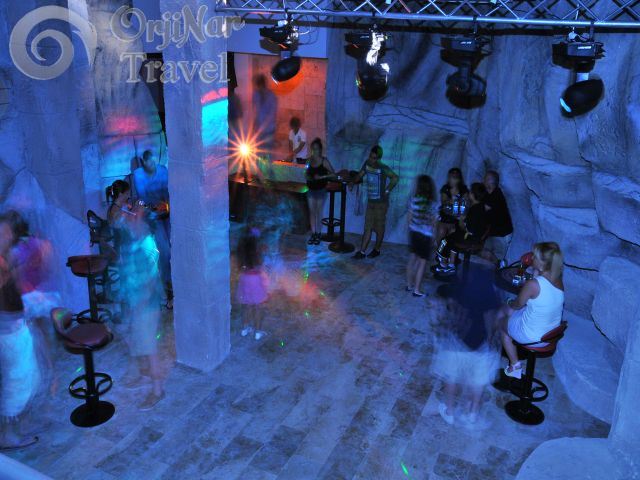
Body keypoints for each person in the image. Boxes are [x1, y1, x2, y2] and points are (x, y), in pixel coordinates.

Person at [107, 180, 165, 410]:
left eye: (135, 214)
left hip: (146, 304)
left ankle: (158, 390)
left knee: (149, 347)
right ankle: (140, 374)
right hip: (134, 301)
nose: (130, 215)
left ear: (143, 221)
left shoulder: (147, 244)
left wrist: (140, 304)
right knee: (135, 340)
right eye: (131, 212)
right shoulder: (134, 240)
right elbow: (128, 271)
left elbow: (150, 280)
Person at [431, 268, 501, 427]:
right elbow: (491, 318)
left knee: (451, 377)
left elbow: (449, 312)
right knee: (478, 381)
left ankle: (449, 412)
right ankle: (472, 413)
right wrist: (490, 338)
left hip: (457, 341)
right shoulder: (490, 296)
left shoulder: (459, 290)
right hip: (480, 343)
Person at [0, 213, 41, 450]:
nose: (7, 236)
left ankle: (15, 427)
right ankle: (8, 435)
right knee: (17, 382)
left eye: (8, 232)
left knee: (28, 378)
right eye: (2, 232)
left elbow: (16, 289)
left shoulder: (8, 257)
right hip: (8, 332)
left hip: (15, 326)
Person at [497, 242, 564, 379]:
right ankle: (508, 346)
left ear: (542, 265)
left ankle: (515, 366)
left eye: (535, 257)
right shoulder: (558, 280)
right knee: (506, 310)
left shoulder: (533, 285)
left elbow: (517, 304)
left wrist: (509, 302)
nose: (531, 258)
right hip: (549, 334)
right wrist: (536, 272)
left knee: (501, 321)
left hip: (532, 335)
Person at [131, 150, 172, 308]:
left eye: (154, 161)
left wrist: (167, 204)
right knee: (164, 250)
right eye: (150, 162)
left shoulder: (162, 170)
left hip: (168, 213)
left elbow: (169, 190)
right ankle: (167, 282)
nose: (153, 164)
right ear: (144, 162)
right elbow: (142, 198)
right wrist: (153, 207)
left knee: (173, 247)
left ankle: (173, 280)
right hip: (153, 217)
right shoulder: (138, 175)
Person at [352, 145, 399, 259]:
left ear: (378, 158)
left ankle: (377, 250)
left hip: (381, 204)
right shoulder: (367, 163)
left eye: (374, 158)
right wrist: (353, 180)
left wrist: (387, 190)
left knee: (379, 228)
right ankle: (362, 252)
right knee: (367, 227)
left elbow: (395, 178)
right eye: (370, 156)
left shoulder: (383, 167)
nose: (371, 160)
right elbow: (360, 175)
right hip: (371, 202)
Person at [435, 182, 488, 274]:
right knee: (453, 236)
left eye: (470, 192)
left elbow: (468, 228)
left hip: (469, 238)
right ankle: (451, 265)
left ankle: (442, 263)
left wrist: (461, 220)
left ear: (473, 195)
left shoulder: (474, 210)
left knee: (445, 241)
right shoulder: (481, 207)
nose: (469, 194)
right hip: (476, 237)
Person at [406, 175, 438, 297]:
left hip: (414, 233)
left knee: (412, 259)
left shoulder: (413, 200)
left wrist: (412, 229)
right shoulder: (433, 203)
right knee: (422, 263)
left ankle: (409, 285)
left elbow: (409, 219)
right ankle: (417, 290)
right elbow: (434, 223)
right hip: (425, 235)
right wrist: (433, 238)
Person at [237, 226, 269, 340]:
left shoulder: (241, 250)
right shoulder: (257, 251)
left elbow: (240, 266)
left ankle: (245, 329)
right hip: (255, 279)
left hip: (244, 278)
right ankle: (258, 332)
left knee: (246, 305)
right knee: (258, 306)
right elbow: (260, 267)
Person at [305, 138, 336, 245]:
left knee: (318, 212)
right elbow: (306, 172)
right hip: (311, 189)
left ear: (320, 150)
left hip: (321, 190)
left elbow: (334, 174)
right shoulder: (308, 161)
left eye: (316, 149)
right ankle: (313, 234)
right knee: (312, 212)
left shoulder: (324, 161)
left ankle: (318, 234)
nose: (314, 151)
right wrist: (308, 177)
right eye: (313, 149)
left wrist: (322, 176)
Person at [480, 170, 514, 267]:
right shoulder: (488, 194)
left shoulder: (496, 195)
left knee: (492, 257)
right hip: (493, 233)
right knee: (483, 253)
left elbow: (483, 210)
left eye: (485, 179)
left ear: (490, 181)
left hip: (501, 235)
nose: (483, 180)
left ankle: (500, 265)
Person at [436, 168, 469, 245]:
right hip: (445, 217)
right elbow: (444, 202)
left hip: (457, 219)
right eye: (450, 177)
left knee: (452, 232)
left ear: (458, 179)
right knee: (441, 231)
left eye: (453, 178)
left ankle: (448, 250)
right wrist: (455, 201)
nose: (451, 180)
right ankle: (439, 249)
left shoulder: (463, 189)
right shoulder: (445, 188)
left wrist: (454, 202)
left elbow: (464, 203)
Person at [252, 74, 277, 157]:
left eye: (260, 86)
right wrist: (254, 124)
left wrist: (263, 127)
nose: (259, 88)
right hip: (259, 130)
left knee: (268, 152)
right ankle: (258, 164)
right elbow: (255, 111)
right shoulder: (256, 94)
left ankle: (268, 164)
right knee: (258, 152)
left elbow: (272, 114)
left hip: (269, 129)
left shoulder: (271, 96)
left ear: (263, 84)